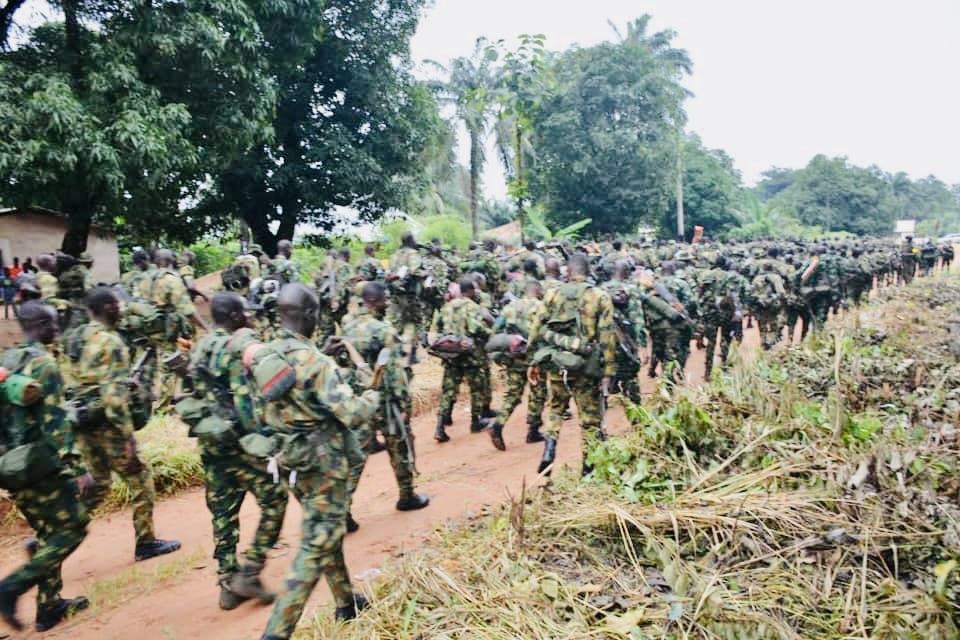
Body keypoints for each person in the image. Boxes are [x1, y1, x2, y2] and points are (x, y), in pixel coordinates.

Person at [259, 283, 380, 639]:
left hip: (288, 458)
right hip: (323, 462)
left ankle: (346, 602)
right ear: (311, 315)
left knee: (324, 530)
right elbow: (353, 413)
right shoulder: (316, 362)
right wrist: (372, 393)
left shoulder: (267, 355)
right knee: (315, 546)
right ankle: (276, 633)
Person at [186, 293, 288, 610]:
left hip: (211, 443)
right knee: (275, 499)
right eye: (245, 312)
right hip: (241, 444)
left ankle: (227, 582)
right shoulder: (238, 348)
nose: (249, 316)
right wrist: (267, 440)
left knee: (223, 512)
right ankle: (251, 570)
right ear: (233, 316)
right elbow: (246, 401)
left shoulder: (200, 346)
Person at [0, 301, 93, 632]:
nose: (58, 328)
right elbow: (56, 423)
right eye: (54, 323)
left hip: (10, 465)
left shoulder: (5, 362)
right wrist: (79, 467)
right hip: (41, 465)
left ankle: (50, 605)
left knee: (47, 532)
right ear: (41, 324)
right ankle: (11, 587)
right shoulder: (44, 365)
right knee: (73, 527)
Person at [69, 287, 181, 561]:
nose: (122, 309)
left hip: (81, 419)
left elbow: (80, 380)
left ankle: (56, 535)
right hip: (108, 424)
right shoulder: (112, 342)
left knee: (99, 484)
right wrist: (128, 438)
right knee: (140, 479)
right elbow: (112, 396)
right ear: (108, 308)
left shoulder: (76, 337)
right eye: (118, 305)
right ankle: (146, 542)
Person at [339, 282, 429, 521]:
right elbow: (396, 371)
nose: (388, 302)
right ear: (373, 301)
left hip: (358, 401)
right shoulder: (383, 330)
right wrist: (403, 404)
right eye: (384, 299)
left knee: (356, 456)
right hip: (385, 401)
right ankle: (407, 495)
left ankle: (342, 510)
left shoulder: (348, 326)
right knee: (399, 446)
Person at [527, 253, 616, 476]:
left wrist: (533, 359)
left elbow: (537, 329)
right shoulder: (599, 296)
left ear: (568, 271)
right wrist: (609, 371)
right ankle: (588, 468)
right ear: (588, 271)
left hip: (558, 364)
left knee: (555, 410)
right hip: (586, 368)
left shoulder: (552, 294)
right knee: (589, 419)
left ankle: (549, 451)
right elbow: (607, 336)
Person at [486, 279, 547, 450]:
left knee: (513, 394)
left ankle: (498, 425)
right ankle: (533, 430)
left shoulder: (510, 307)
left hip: (513, 356)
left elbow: (495, 330)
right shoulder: (541, 307)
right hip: (534, 358)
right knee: (538, 392)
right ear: (538, 291)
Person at [431, 277, 494, 442]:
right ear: (471, 291)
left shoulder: (446, 307)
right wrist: (491, 333)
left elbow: (438, 327)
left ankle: (440, 426)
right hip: (470, 355)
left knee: (448, 390)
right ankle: (475, 421)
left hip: (451, 354)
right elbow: (476, 328)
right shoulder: (473, 307)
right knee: (476, 388)